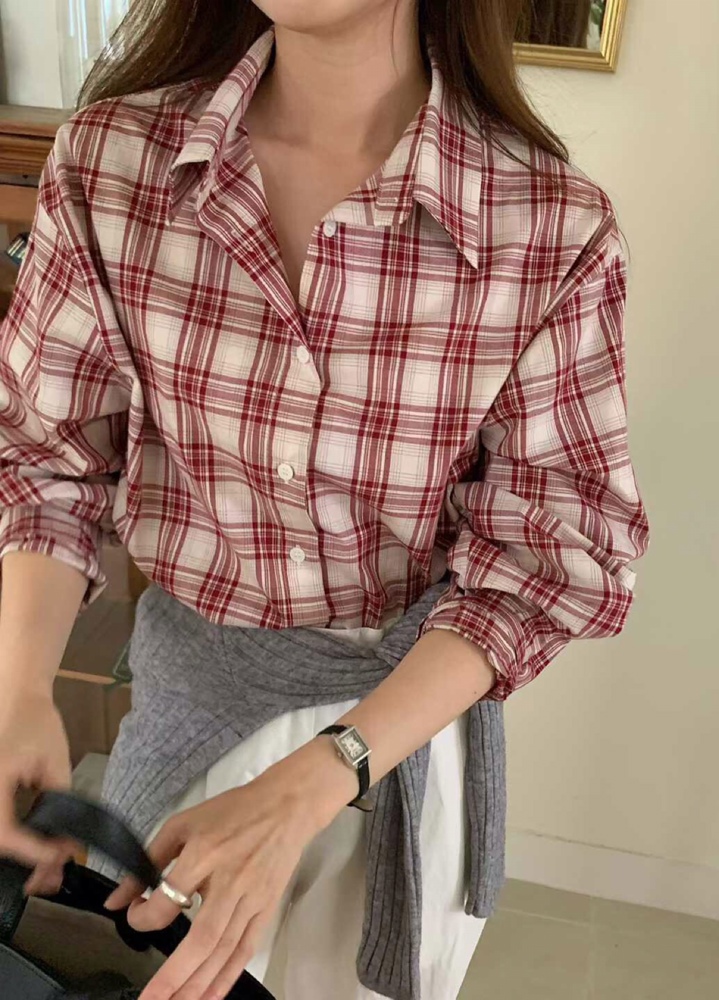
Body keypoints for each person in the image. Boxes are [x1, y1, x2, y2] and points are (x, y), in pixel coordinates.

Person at [0, 1, 650, 998]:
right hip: (186, 726)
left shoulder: (550, 227)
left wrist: (321, 771)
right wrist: (17, 693)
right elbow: (48, 460)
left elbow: (546, 561)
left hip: (402, 751)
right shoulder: (112, 166)